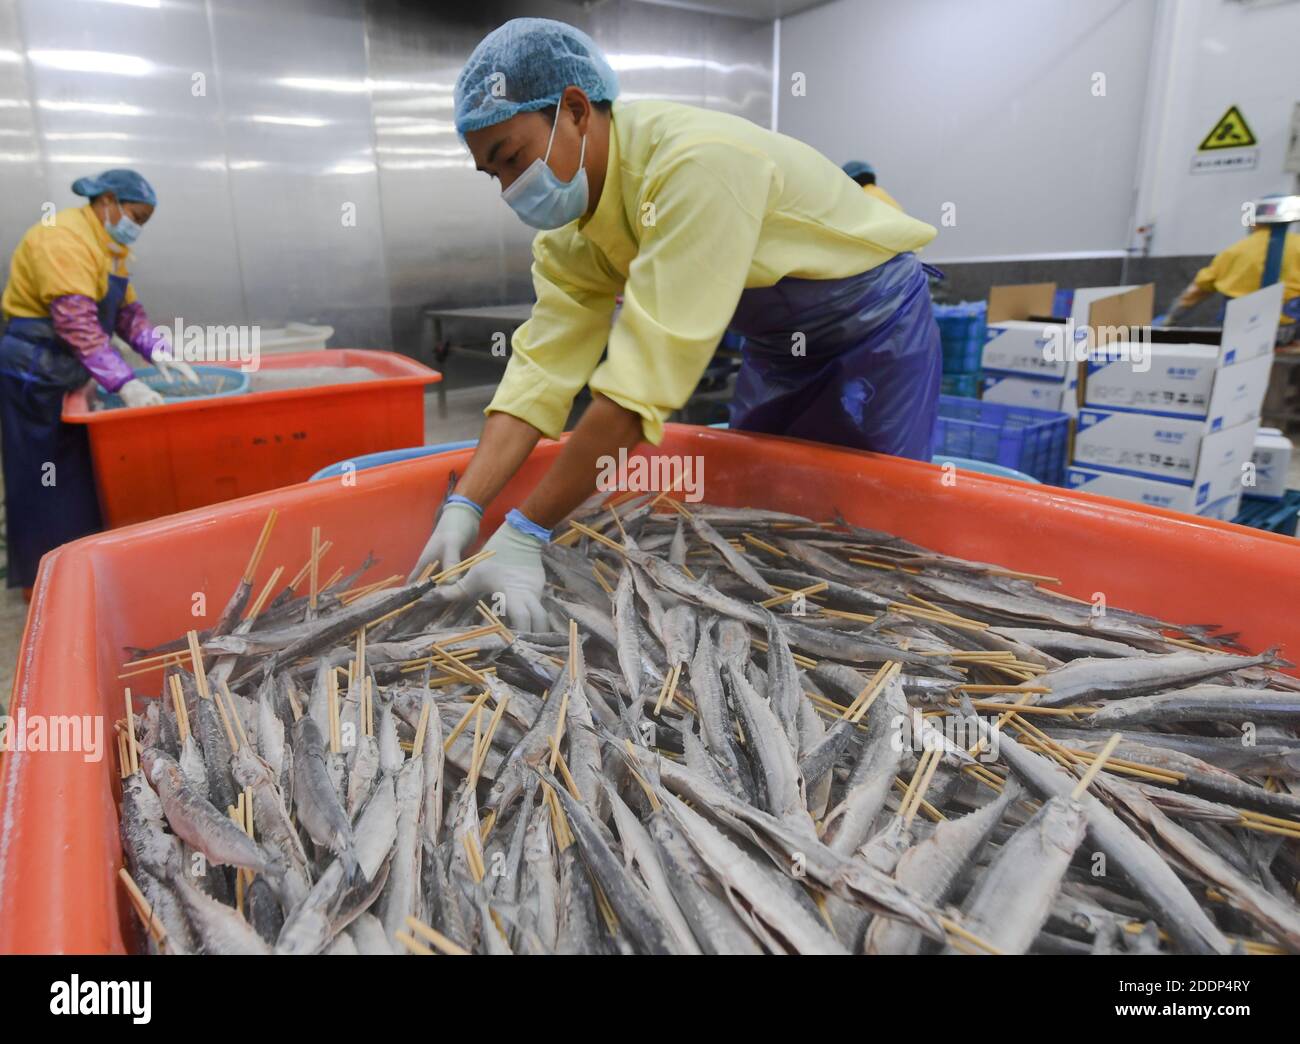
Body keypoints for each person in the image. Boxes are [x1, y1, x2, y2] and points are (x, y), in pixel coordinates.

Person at [413, 18, 942, 627]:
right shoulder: (571, 230)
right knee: (759, 523)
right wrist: (466, 503)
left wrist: (528, 528)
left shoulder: (695, 165)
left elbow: (640, 388)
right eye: (493, 175)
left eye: (512, 158)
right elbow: (541, 370)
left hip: (874, 334)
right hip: (776, 349)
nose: (510, 189)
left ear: (577, 109)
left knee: (872, 537)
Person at [0, 169, 196, 590]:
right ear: (108, 201)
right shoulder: (62, 238)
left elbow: (126, 313)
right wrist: (124, 382)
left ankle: (81, 569)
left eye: (144, 221)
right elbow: (77, 323)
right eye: (136, 217)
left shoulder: (109, 247)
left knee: (75, 479)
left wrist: (155, 349)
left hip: (69, 372)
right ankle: (44, 581)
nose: (136, 228)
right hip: (36, 373)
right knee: (42, 477)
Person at [1158, 220, 1299, 328]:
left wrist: (1170, 318)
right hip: (1291, 326)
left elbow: (1197, 290)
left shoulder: (1234, 251)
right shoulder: (1297, 244)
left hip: (1239, 326)